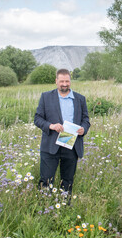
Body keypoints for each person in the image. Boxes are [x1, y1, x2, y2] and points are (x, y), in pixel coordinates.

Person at [34, 68, 90, 197]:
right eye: (61, 81)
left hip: (71, 145)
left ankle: (65, 204)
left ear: (70, 81)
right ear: (56, 81)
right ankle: (44, 206)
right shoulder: (46, 97)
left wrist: (83, 129)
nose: (64, 84)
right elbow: (37, 119)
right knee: (46, 180)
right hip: (50, 146)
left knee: (68, 180)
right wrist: (51, 126)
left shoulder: (80, 99)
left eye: (67, 81)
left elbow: (86, 120)